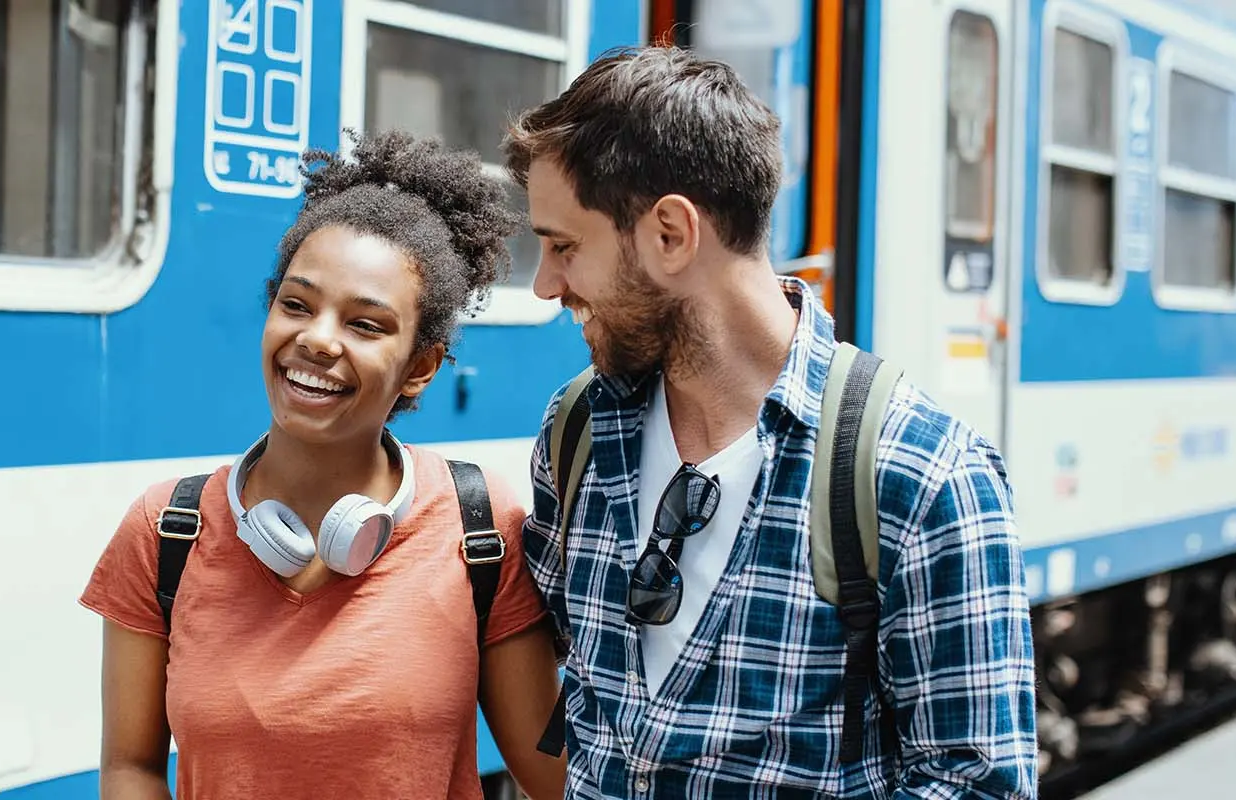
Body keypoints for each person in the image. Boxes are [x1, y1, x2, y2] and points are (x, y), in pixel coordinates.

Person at [499, 46, 1041, 798]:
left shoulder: (923, 475)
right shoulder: (578, 430)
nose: (545, 284)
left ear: (670, 235)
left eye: (564, 246)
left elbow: (979, 784)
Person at [78, 129, 568, 800]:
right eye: (296, 305)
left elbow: (556, 777)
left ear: (420, 367)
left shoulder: (479, 529)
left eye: (365, 325)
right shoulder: (165, 531)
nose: (315, 339)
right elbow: (131, 765)